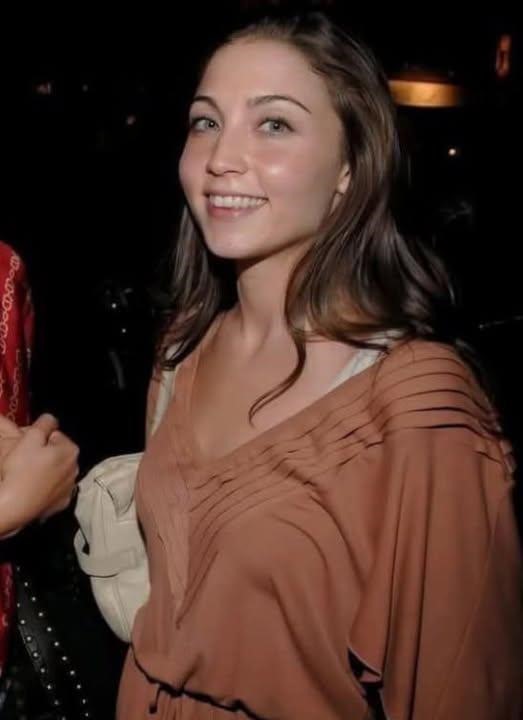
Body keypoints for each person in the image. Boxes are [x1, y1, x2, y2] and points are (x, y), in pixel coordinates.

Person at [117, 11, 522, 719]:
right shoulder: (181, 351)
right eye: (205, 122)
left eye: (273, 124)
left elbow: (459, 687)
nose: (220, 158)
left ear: (348, 168)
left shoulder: (415, 403)